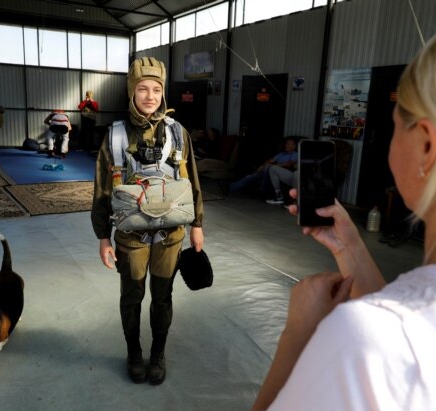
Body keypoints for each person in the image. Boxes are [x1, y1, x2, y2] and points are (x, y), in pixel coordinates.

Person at [242, 2, 436, 411]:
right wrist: (352, 250)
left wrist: (298, 336)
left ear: (428, 147)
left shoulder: (367, 343)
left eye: (395, 126)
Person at [91, 56, 204, 385]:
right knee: (132, 295)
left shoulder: (178, 134)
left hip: (171, 234)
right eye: (142, 89)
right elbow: (100, 190)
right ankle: (133, 351)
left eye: (156, 89)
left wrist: (197, 224)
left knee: (163, 295)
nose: (150, 95)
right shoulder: (114, 136)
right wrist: (102, 237)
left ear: (163, 92)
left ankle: (158, 352)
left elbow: (193, 181)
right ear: (131, 92)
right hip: (131, 238)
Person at [229, 137, 297, 195]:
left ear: (293, 146)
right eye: (286, 143)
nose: (286, 145)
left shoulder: (295, 154)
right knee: (250, 176)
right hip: (269, 172)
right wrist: (261, 166)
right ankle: (230, 188)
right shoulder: (281, 154)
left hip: (280, 172)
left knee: (268, 166)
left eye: (288, 144)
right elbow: (269, 161)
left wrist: (273, 166)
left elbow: (289, 164)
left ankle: (263, 187)